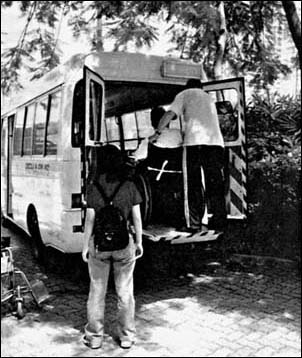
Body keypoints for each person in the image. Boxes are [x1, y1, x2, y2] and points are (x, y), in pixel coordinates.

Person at [82, 145, 143, 350]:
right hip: (124, 245)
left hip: (99, 245)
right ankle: (126, 336)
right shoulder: (130, 186)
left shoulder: (93, 187)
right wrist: (140, 242)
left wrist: (85, 246)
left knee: (97, 291)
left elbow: (89, 220)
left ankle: (94, 336)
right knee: (125, 292)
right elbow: (136, 218)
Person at [150, 79, 227, 232]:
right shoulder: (209, 98)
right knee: (215, 185)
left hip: (194, 144)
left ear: (187, 87)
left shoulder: (184, 94)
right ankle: (219, 222)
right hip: (216, 144)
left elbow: (169, 114)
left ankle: (193, 224)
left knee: (192, 185)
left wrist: (157, 133)